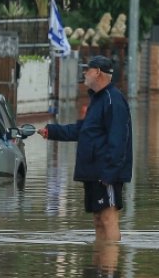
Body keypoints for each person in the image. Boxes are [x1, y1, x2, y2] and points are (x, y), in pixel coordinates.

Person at [37, 55, 133, 242]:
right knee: (98, 219)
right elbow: (83, 130)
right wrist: (52, 131)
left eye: (87, 70)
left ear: (97, 72)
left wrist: (110, 173)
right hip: (92, 171)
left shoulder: (113, 100)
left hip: (105, 173)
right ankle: (100, 266)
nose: (84, 73)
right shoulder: (97, 100)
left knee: (107, 217)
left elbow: (119, 140)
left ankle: (111, 269)